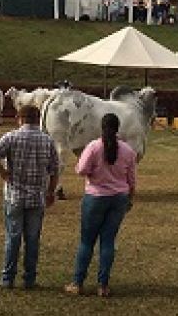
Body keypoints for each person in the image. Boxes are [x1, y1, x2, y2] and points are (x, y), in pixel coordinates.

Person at [0, 105, 60, 290]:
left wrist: (3, 172)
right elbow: (54, 170)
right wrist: (51, 192)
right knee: (33, 239)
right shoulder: (47, 140)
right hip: (37, 196)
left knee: (13, 237)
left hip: (15, 195)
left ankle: (7, 277)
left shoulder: (12, 137)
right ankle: (29, 278)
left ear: (20, 118)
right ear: (37, 119)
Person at [65, 113, 137, 298]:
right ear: (118, 127)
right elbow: (132, 180)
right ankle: (103, 285)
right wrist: (130, 199)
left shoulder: (94, 146)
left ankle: (78, 282)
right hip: (119, 197)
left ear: (101, 127)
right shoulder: (128, 150)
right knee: (108, 242)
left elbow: (81, 170)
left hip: (96, 196)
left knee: (86, 241)